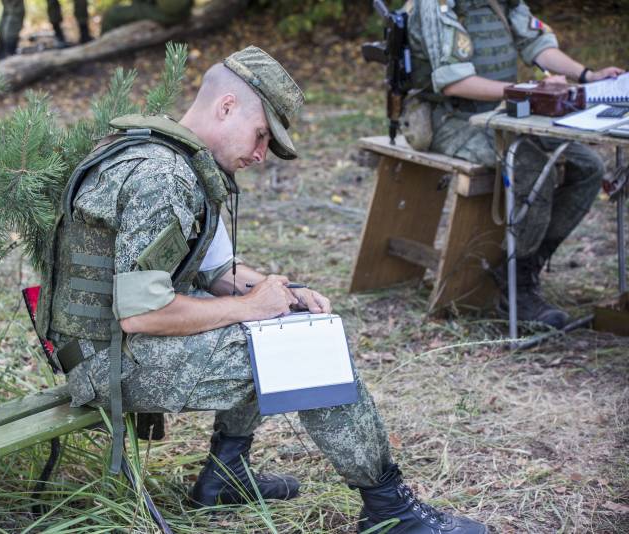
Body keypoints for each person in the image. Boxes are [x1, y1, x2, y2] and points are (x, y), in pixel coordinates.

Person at [36, 45, 487, 533]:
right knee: (310, 354)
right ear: (226, 106)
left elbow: (212, 270)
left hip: (103, 348)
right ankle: (392, 512)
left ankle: (225, 476)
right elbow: (143, 314)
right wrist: (248, 307)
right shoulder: (161, 174)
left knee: (281, 324)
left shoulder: (174, 158)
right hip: (109, 364)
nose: (258, 154)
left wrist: (283, 294)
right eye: (260, 136)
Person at [405, 0, 625, 329]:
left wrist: (588, 76)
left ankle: (521, 269)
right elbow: (454, 82)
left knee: (588, 167)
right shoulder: (434, 5)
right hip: (452, 119)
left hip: (506, 112)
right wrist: (530, 91)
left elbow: (535, 43)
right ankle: (516, 292)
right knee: (531, 164)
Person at [100, 0, 193, 34]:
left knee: (112, 15)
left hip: (168, 15)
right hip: (185, 12)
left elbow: (172, 7)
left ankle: (102, 48)